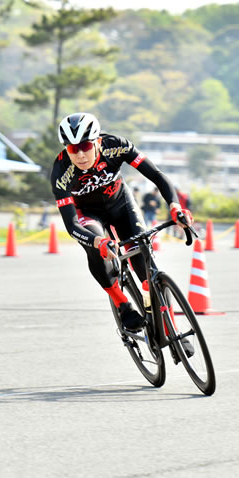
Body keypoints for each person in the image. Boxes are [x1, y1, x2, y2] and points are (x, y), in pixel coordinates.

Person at [50, 112, 194, 342]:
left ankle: (170, 328)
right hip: (88, 215)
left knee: (145, 265)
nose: (80, 154)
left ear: (97, 141)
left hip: (120, 204)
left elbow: (156, 175)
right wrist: (99, 242)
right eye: (72, 149)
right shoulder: (61, 173)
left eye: (85, 146)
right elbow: (72, 224)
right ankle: (122, 304)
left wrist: (175, 207)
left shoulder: (116, 147)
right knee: (96, 248)